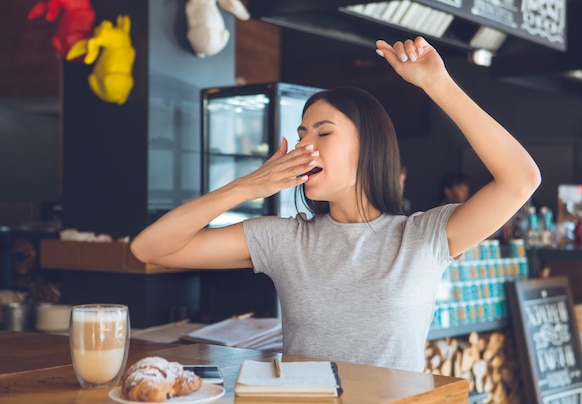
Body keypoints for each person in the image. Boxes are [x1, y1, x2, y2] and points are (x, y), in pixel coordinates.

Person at [130, 37, 541, 372]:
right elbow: (149, 249)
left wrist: (438, 85)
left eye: (323, 134)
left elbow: (522, 179)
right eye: (302, 133)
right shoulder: (285, 240)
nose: (306, 146)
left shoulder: (423, 236)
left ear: (369, 147)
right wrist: (244, 188)